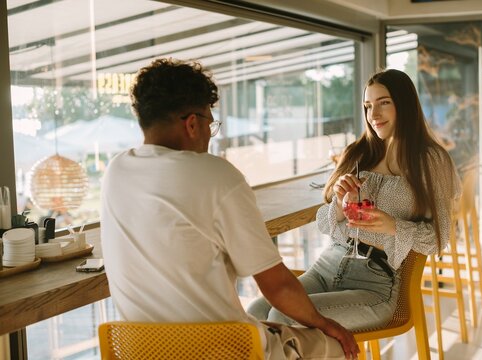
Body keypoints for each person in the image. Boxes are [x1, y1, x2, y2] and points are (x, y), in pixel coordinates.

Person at [100, 58, 359, 360]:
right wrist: (325, 324)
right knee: (334, 346)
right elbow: (276, 286)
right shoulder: (215, 175)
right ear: (192, 123)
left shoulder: (115, 171)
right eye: (211, 123)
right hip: (218, 350)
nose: (211, 133)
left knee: (264, 326)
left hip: (138, 350)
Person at [247, 68, 461, 331]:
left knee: (285, 319)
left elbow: (441, 238)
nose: (374, 115)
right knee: (255, 312)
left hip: (374, 283)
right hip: (327, 265)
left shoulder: (430, 161)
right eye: (368, 106)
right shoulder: (359, 153)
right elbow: (325, 225)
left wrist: (394, 226)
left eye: (384, 103)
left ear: (404, 105)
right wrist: (340, 200)